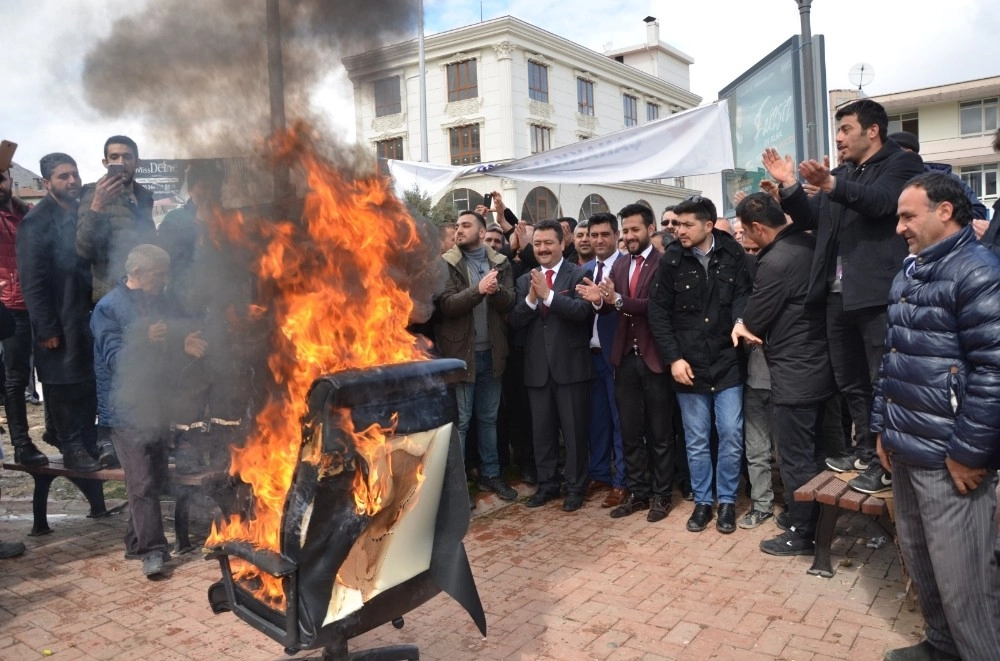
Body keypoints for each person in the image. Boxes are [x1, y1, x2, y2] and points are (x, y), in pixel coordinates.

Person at [762, 98, 925, 495]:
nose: (838, 138)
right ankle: (866, 450)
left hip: (877, 294)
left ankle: (889, 460)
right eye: (838, 131)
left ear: (873, 130)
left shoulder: (900, 164)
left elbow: (882, 203)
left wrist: (833, 184)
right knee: (851, 382)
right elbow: (811, 218)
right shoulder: (843, 173)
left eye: (846, 129)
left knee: (881, 379)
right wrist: (789, 186)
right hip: (836, 295)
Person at [873, 172, 1000, 661]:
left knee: (964, 577)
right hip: (907, 448)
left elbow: (994, 370)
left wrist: (970, 452)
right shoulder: (909, 272)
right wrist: (882, 427)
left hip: (950, 459)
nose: (900, 227)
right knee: (923, 561)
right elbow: (893, 359)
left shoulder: (978, 271)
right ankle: (942, 647)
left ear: (944, 211)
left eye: (908, 215)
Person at [92, 244, 207, 579]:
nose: (165, 280)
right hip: (126, 408)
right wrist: (143, 336)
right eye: (159, 274)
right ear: (138, 274)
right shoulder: (108, 308)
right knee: (141, 481)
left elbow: (167, 344)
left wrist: (180, 344)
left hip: (157, 403)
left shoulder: (160, 301)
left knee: (152, 479)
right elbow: (116, 359)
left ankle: (134, 540)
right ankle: (153, 551)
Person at [733, 193, 835, 554]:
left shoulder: (775, 261)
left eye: (745, 231)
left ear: (759, 227)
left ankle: (802, 530)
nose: (743, 238)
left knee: (794, 458)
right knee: (819, 451)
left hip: (794, 371)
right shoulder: (807, 243)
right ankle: (820, 522)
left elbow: (757, 317)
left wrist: (743, 324)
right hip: (820, 364)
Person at [648, 195, 751, 534]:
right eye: (676, 224)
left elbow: (744, 297)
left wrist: (741, 320)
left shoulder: (734, 254)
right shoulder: (671, 260)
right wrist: (674, 358)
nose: (679, 231)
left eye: (687, 224)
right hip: (688, 365)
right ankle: (703, 503)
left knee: (731, 435)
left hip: (727, 362)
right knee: (695, 440)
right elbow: (658, 312)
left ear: (708, 225)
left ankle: (726, 503)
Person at [580, 204, 674, 523]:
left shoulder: (665, 263)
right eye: (628, 230)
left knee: (659, 431)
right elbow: (611, 310)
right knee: (630, 430)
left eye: (636, 230)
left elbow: (656, 306)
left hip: (654, 357)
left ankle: (661, 495)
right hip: (624, 359)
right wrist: (599, 300)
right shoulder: (618, 268)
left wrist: (616, 301)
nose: (631, 236)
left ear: (650, 229)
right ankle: (637, 490)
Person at [16, 153, 101, 472]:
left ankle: (87, 440)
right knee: (61, 382)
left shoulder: (81, 214)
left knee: (87, 381)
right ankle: (71, 444)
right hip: (57, 317)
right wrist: (47, 327)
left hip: (84, 314)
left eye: (75, 174)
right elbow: (32, 281)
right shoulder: (35, 223)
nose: (72, 181)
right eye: (63, 176)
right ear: (46, 182)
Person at [510, 219, 594, 512]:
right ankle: (548, 484)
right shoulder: (524, 280)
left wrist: (549, 296)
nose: (542, 249)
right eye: (537, 244)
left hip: (571, 368)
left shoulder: (579, 275)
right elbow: (515, 320)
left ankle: (575, 487)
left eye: (548, 243)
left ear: (562, 244)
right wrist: (533, 299)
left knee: (573, 433)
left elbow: (582, 312)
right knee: (542, 433)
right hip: (537, 370)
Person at [436, 210, 517, 501]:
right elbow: (447, 305)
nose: (459, 230)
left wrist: (495, 293)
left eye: (466, 225)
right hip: (461, 357)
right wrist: (479, 290)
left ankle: (491, 476)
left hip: (492, 354)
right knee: (463, 421)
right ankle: (457, 488)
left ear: (482, 233)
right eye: (457, 225)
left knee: (489, 419)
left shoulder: (501, 262)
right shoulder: (447, 263)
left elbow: (510, 302)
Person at [0, 164, 46, 466]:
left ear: (11, 180)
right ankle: (21, 443)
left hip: (38, 304)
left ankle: (58, 433)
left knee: (50, 373)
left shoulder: (28, 213)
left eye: (0, 179)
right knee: (15, 379)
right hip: (8, 307)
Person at [578, 213, 625, 508]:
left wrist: (605, 299)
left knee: (621, 421)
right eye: (593, 235)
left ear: (616, 235)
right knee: (596, 421)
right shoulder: (582, 270)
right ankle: (599, 474)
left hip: (617, 356)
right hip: (588, 356)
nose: (597, 240)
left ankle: (622, 481)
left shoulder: (627, 267)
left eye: (604, 234)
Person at [76, 135, 156, 302]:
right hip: (112, 294)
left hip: (145, 291)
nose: (122, 162)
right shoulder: (93, 193)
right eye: (114, 157)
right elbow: (83, 249)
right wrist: (97, 205)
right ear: (105, 163)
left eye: (127, 156)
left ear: (137, 162)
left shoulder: (143, 196)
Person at [888, 131, 988, 221]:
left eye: (890, 155)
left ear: (908, 154)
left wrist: (938, 221)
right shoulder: (882, 183)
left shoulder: (947, 180)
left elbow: (977, 212)